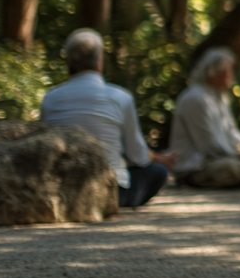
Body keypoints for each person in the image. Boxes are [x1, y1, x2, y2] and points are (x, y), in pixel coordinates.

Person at [39, 29, 176, 208]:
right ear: (100, 61)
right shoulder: (120, 97)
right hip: (111, 191)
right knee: (158, 171)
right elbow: (138, 157)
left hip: (64, 190)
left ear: (69, 61)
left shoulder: (50, 98)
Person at [169, 47, 240, 189]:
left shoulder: (220, 98)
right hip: (197, 166)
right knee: (232, 168)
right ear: (213, 73)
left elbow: (231, 132)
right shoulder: (195, 98)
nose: (232, 76)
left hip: (220, 159)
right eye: (228, 71)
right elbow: (208, 146)